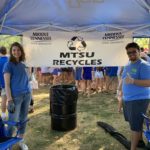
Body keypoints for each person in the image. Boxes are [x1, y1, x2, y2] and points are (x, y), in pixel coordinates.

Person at [120, 42, 150, 150]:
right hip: (128, 99)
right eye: (129, 53)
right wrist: (120, 92)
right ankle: (140, 141)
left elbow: (149, 82)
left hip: (138, 100)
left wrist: (133, 81)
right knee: (135, 123)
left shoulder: (144, 65)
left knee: (135, 127)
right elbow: (124, 79)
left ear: (139, 51)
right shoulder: (128, 64)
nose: (131, 54)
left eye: (133, 51)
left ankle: (133, 148)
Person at [3, 42, 31, 150]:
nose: (16, 52)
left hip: (26, 95)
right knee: (12, 121)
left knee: (23, 119)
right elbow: (7, 84)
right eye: (14, 50)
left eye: (18, 50)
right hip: (15, 97)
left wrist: (30, 96)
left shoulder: (24, 63)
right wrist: (9, 100)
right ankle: (8, 144)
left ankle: (20, 141)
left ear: (21, 51)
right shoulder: (8, 65)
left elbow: (27, 80)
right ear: (11, 51)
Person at [0, 46, 9, 119]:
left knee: (3, 99)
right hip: (8, 83)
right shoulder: (9, 60)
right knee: (9, 99)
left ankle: (3, 115)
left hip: (2, 83)